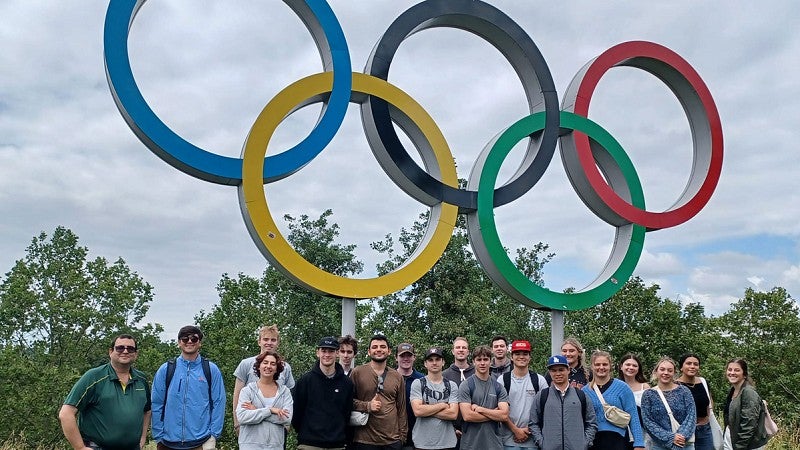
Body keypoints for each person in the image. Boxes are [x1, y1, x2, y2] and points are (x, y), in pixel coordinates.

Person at [59, 334, 151, 450]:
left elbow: (147, 411)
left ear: (136, 354)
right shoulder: (93, 377)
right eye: (120, 348)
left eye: (130, 348)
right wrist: (80, 447)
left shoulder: (141, 379)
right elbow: (66, 414)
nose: (125, 351)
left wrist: (142, 438)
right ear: (110, 351)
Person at [152, 325, 225, 450]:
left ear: (200, 343)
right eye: (185, 339)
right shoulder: (166, 369)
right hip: (168, 442)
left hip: (201, 441)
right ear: (179, 343)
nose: (189, 341)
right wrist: (158, 435)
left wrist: (213, 435)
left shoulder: (210, 369)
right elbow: (156, 402)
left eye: (194, 339)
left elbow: (219, 402)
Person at [292, 336, 354, 450]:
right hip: (309, 444)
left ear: (337, 353)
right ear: (318, 353)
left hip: (336, 445)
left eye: (331, 351)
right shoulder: (305, 381)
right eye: (323, 351)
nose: (327, 354)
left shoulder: (347, 383)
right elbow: (296, 413)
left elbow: (346, 414)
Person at [234, 325, 296, 433]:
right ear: (259, 341)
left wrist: (287, 423)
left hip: (277, 428)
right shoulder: (245, 364)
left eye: (273, 340)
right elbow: (237, 395)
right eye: (265, 339)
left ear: (277, 343)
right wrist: (237, 423)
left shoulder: (285, 367)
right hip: (251, 428)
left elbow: (290, 397)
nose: (269, 343)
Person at [350, 334, 408, 450]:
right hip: (364, 440)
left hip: (392, 441)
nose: (379, 350)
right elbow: (347, 402)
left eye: (382, 346)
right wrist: (367, 406)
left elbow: (401, 408)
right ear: (369, 351)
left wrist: (402, 437)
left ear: (389, 351)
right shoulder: (357, 372)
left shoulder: (397, 377)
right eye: (375, 347)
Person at [530, 355, 596, 450]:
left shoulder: (580, 395)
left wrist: (584, 443)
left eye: (561, 370)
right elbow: (533, 423)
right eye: (554, 370)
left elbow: (591, 422)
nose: (558, 373)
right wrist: (542, 443)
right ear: (550, 372)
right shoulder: (542, 395)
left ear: (568, 370)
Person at [582, 351, 645, 450]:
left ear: (610, 366)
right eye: (597, 364)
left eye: (605, 364)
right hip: (593, 441)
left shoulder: (622, 387)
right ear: (592, 366)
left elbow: (634, 416)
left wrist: (639, 443)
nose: (601, 367)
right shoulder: (585, 391)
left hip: (618, 440)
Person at [237, 351, 294, 450]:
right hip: (250, 445)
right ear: (259, 366)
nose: (268, 366)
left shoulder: (285, 392)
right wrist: (270, 410)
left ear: (277, 369)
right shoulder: (247, 391)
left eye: (273, 364)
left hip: (275, 446)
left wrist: (257, 410)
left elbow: (287, 419)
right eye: (265, 362)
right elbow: (242, 417)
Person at [458, 345, 509, 450]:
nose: (482, 363)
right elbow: (468, 416)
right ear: (473, 362)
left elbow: (504, 415)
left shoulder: (498, 387)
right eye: (479, 359)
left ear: (490, 361)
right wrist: (494, 414)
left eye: (485, 359)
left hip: (494, 445)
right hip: (471, 445)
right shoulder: (466, 385)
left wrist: (480, 409)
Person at [500, 340, 547, 450]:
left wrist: (529, 429)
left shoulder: (539, 380)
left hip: (533, 441)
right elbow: (499, 411)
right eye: (517, 354)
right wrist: (516, 430)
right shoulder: (503, 380)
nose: (521, 357)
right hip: (508, 441)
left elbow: (546, 410)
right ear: (511, 357)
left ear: (530, 357)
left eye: (525, 354)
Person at [640, 357, 696, 450]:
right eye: (662, 369)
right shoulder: (648, 394)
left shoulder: (684, 391)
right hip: (659, 445)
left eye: (670, 370)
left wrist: (680, 437)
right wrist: (670, 437)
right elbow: (647, 421)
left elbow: (691, 416)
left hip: (684, 444)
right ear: (656, 372)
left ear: (674, 373)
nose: (665, 373)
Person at [409, 347, 459, 450]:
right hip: (422, 443)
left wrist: (426, 408)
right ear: (425, 364)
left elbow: (453, 414)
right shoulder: (418, 383)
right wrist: (443, 405)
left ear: (443, 362)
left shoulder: (451, 385)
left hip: (447, 443)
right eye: (430, 360)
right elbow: (418, 411)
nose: (434, 363)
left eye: (437, 359)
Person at [723, 358, 769, 450]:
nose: (732, 373)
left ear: (744, 374)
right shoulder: (733, 390)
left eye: (737, 370)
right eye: (730, 369)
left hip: (747, 444)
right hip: (731, 439)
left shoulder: (748, 392)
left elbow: (749, 423)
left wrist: (740, 446)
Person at [676, 354, 715, 450]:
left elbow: (709, 403)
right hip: (684, 431)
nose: (692, 366)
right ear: (681, 367)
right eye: (688, 363)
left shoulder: (703, 382)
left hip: (704, 430)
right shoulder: (675, 385)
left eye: (695, 364)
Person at [442, 337, 474, 450]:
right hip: (450, 431)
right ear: (453, 351)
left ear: (468, 352)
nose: (461, 350)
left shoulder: (478, 373)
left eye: (464, 348)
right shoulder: (444, 375)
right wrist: (451, 428)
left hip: (474, 430)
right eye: (458, 347)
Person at [617, 353, 651, 450]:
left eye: (634, 365)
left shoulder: (645, 387)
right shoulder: (615, 386)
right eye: (628, 365)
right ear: (621, 367)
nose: (631, 367)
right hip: (621, 433)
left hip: (642, 433)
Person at [396, 343, 425, 450]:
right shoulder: (389, 378)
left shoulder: (423, 379)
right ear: (396, 358)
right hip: (394, 436)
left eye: (409, 355)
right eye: (402, 356)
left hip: (418, 436)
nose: (406, 359)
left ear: (414, 357)